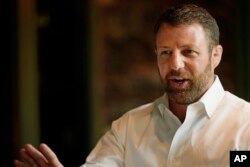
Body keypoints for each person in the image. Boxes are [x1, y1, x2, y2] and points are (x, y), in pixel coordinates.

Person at [14, 4, 250, 167]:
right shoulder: (129, 127)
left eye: (189, 52)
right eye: (165, 52)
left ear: (215, 55)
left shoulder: (245, 126)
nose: (175, 64)